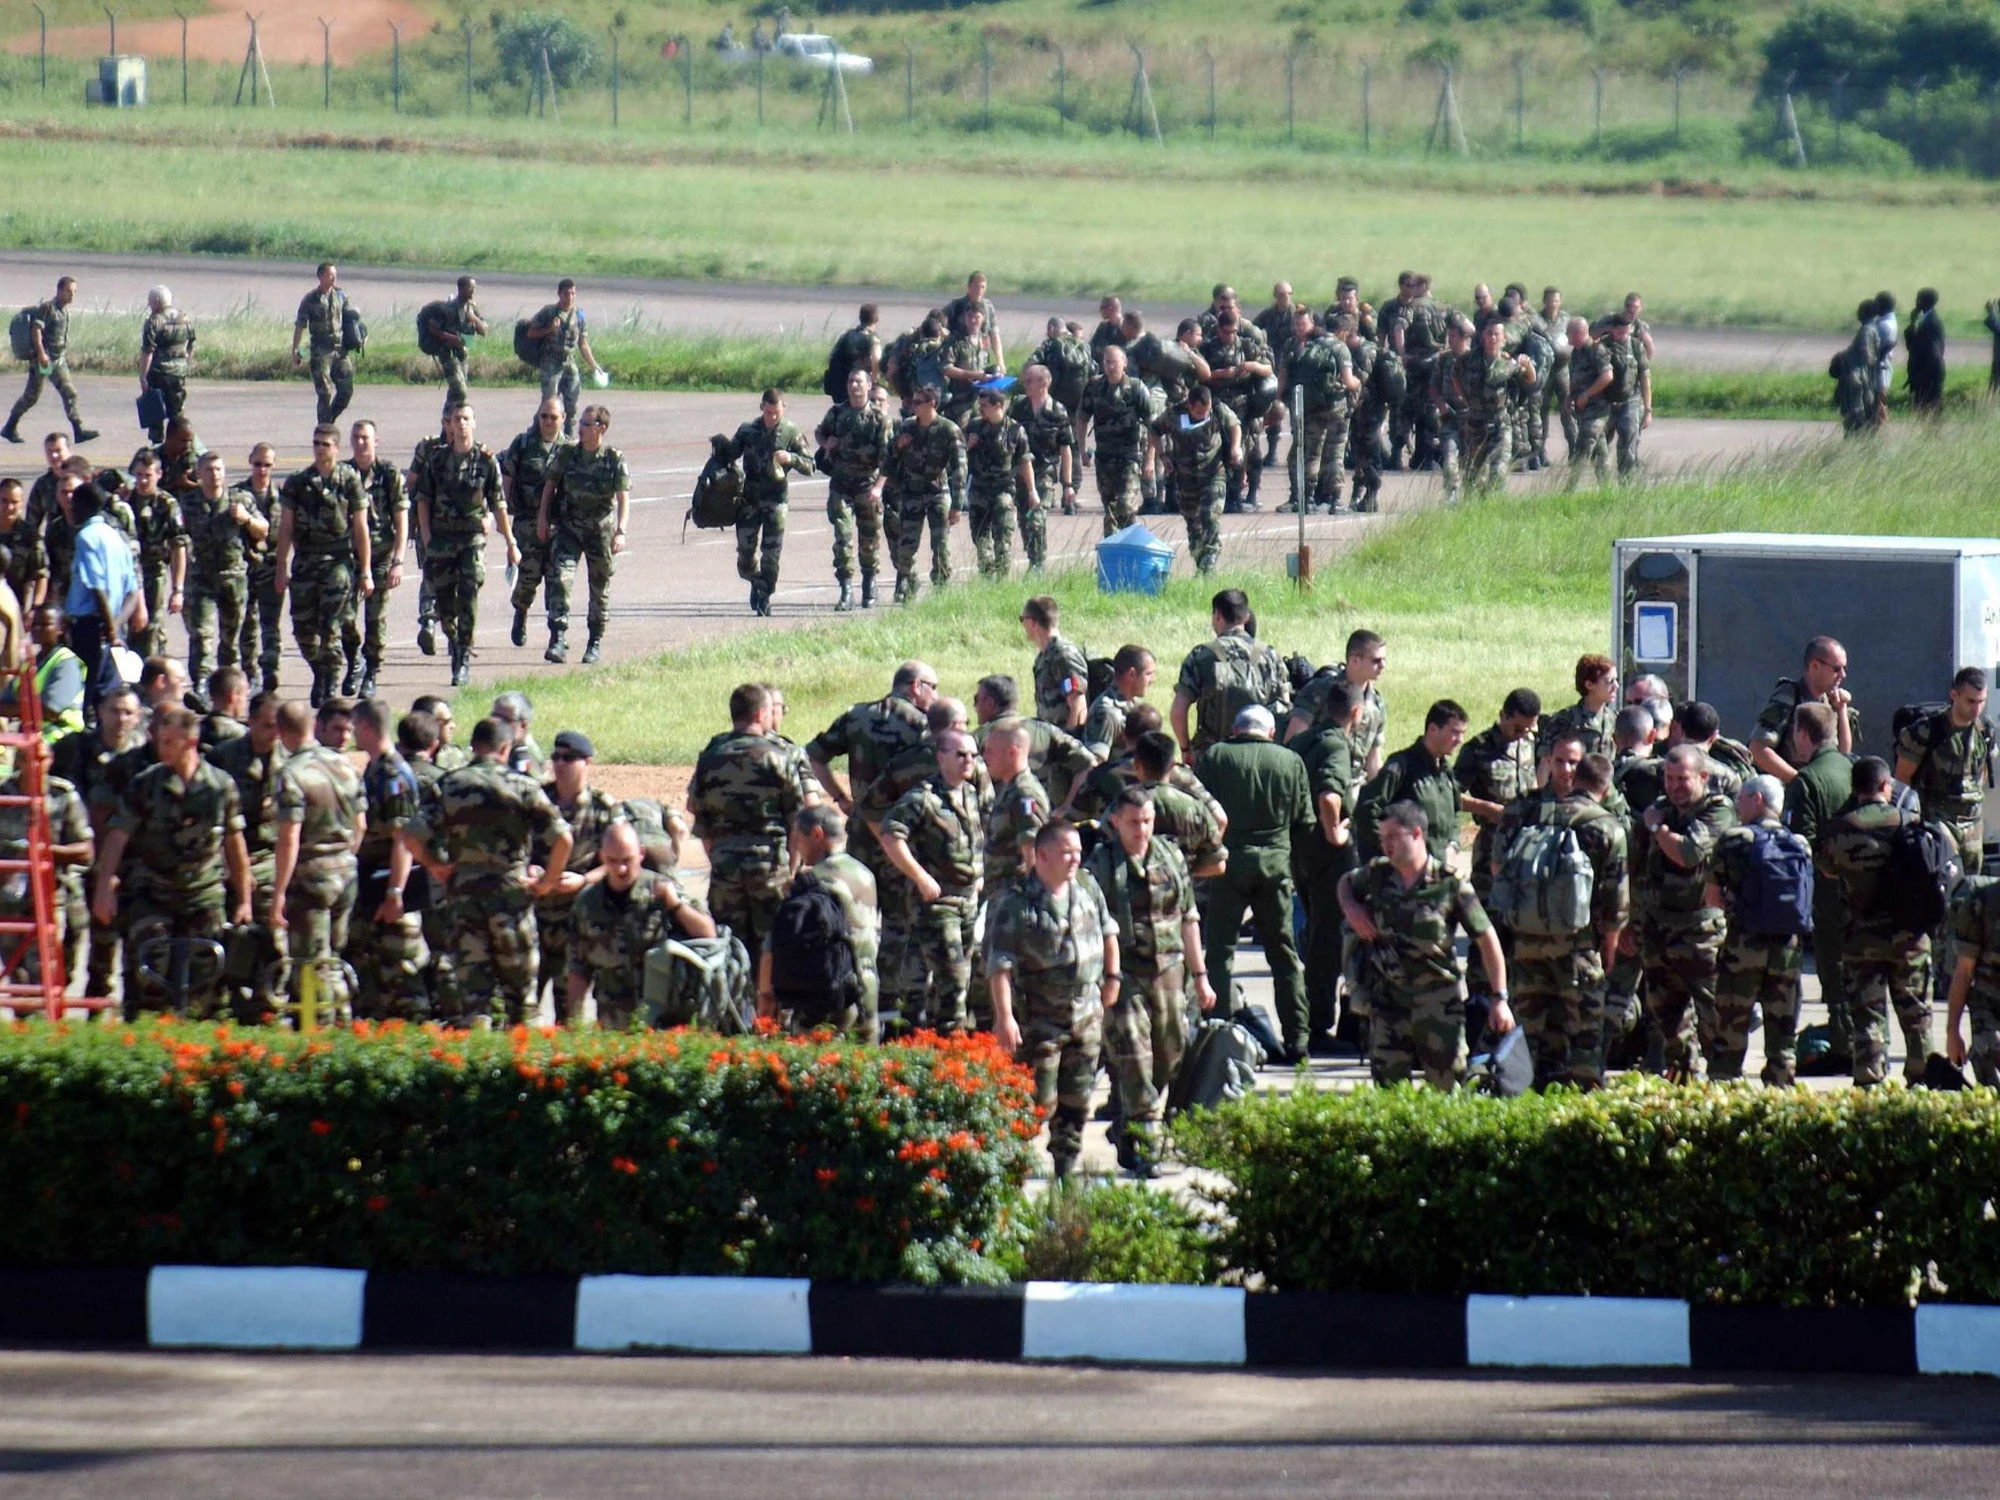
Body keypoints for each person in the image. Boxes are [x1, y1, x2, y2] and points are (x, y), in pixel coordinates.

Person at [400, 716, 571, 1026]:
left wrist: (435, 865)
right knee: (522, 1002)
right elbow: (562, 838)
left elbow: (410, 835)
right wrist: (547, 882)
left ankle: (479, 1050)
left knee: (473, 1002)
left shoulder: (449, 784)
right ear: (505, 748)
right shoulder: (522, 785)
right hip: (511, 898)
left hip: (464, 900)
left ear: (474, 746)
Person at [1340, 800, 1511, 1090]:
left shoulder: (1450, 884)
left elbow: (1487, 940)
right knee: (1389, 1095)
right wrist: (1351, 908)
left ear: (1417, 833)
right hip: (1388, 1006)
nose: (1386, 845)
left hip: (1438, 1007)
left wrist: (1499, 998)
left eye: (1393, 836)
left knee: (1447, 1093)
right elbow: (1345, 883)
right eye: (1382, 838)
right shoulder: (1377, 874)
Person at [1086, 785, 1213, 1175]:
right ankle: (1146, 1144)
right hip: (1125, 973)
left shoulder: (1170, 857)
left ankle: (1128, 1121)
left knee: (1170, 1052)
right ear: (1116, 822)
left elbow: (1188, 918)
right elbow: (1092, 926)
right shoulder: (1101, 865)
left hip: (1170, 970)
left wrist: (1201, 977)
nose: (1141, 830)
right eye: (1133, 823)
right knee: (1134, 1053)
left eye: (1147, 821)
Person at [93, 707, 251, 1018]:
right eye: (160, 740)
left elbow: (234, 843)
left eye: (169, 742)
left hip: (203, 891)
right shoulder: (145, 784)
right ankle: (148, 1029)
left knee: (207, 972)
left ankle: (198, 1035)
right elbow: (117, 838)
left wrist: (244, 899)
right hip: (154, 890)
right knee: (150, 967)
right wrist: (103, 888)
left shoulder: (220, 786)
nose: (161, 747)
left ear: (190, 742)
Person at [1492, 739, 1628, 1089]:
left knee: (1527, 1029)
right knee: (1585, 1030)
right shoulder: (1606, 826)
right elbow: (1615, 900)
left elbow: (1498, 868)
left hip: (1526, 943)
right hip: (1578, 947)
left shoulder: (1526, 812)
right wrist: (1609, 946)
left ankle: (1517, 1097)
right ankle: (1583, 1102)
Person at [986, 820, 1115, 1178]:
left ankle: (1064, 1173)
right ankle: (1010, 1170)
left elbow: (1108, 930)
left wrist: (1113, 977)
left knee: (1077, 1102)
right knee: (1036, 1102)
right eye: (1066, 853)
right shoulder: (1015, 903)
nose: (1075, 859)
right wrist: (1005, 1017)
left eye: (1077, 852)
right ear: (1042, 856)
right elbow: (999, 965)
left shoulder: (1087, 887)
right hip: (1039, 1021)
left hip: (1086, 1015)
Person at [1195, 704, 1314, 1060]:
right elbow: (1304, 821)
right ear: (1271, 733)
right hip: (1274, 867)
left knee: (1220, 952)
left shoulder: (1216, 756)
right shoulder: (1290, 761)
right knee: (1283, 954)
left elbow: (1198, 811)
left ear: (1235, 729)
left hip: (1226, 866)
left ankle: (1217, 1030)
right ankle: (1297, 1038)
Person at [1820, 756, 1934, 1087]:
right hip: (1910, 935)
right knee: (1916, 1014)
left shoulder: (1840, 829)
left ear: (1854, 789)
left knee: (1867, 1015)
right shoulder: (1911, 822)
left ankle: (1870, 1085)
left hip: (1861, 937)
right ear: (1886, 786)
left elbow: (1828, 869)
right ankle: (1923, 1084)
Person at [687, 682, 822, 962]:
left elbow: (698, 814)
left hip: (725, 866)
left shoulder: (711, 757)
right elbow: (797, 819)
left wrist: (719, 858)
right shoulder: (779, 757)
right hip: (770, 866)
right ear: (761, 714)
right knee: (774, 948)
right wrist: (791, 868)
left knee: (729, 949)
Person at [1633, 744, 1735, 1080]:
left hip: (1700, 932)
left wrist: (1657, 829)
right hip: (1658, 929)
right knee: (1666, 1014)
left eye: (1683, 779)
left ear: (1702, 777)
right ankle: (1682, 1077)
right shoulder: (1661, 809)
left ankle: (1722, 1080)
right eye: (1670, 778)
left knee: (1713, 1011)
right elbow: (1635, 865)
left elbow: (1688, 853)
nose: (1675, 786)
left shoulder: (1717, 809)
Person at [878, 728, 988, 1032]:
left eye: (973, 755)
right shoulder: (923, 798)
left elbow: (977, 837)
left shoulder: (971, 793)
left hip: (968, 900)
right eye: (961, 754)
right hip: (938, 903)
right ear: (941, 757)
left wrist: (979, 874)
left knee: (953, 976)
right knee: (953, 980)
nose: (969, 761)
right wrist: (920, 876)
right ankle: (951, 1045)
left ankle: (923, 1037)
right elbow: (890, 835)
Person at [1705, 775, 1811, 1086]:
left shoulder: (1734, 839)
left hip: (1743, 946)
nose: (1737, 806)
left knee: (1731, 1023)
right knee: (1783, 1030)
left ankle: (1725, 1085)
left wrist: (1737, 908)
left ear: (1757, 800)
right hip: (1788, 949)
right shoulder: (1800, 844)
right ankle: (1781, 1088)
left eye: (1741, 799)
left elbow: (1712, 897)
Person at [565, 818, 713, 1030]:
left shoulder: (662, 890)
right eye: (612, 861)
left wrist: (676, 906)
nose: (621, 869)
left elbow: (708, 934)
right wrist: (575, 1024)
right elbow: (578, 969)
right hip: (613, 1024)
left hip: (662, 1020)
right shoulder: (587, 904)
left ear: (641, 854)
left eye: (627, 860)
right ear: (601, 857)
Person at [271, 697, 364, 1026]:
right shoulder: (344, 765)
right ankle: (343, 1022)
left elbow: (289, 838)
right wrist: (344, 858)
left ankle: (318, 1033)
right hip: (346, 874)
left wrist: (279, 891)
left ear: (281, 731)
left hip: (311, 879)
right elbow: (360, 825)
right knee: (333, 958)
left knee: (310, 965)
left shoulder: (291, 773)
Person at [759, 804, 878, 1040]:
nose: (796, 847)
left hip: (826, 996)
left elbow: (773, 947)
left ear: (816, 834)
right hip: (867, 992)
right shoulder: (865, 874)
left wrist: (766, 999)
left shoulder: (812, 882)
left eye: (798, 838)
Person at [411, 403, 509, 687]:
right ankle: (454, 641)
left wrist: (509, 541)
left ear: (474, 423)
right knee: (444, 607)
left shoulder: (486, 460)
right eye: (457, 419)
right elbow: (423, 499)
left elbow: (498, 502)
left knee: (468, 593)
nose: (462, 423)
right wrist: (426, 536)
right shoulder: (437, 460)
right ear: (450, 425)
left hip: (471, 540)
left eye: (466, 418)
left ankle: (462, 658)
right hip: (441, 541)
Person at [1782, 700, 1858, 1068]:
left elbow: (1801, 843)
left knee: (1832, 967)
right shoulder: (1852, 768)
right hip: (1862, 889)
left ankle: (1845, 1045)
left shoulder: (1806, 781)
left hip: (1827, 893)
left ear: (1802, 734)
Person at [273, 424, 371, 707]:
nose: (319, 449)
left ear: (336, 448)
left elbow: (360, 528)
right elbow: (286, 527)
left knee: (330, 628)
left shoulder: (348, 479)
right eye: (316, 443)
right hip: (305, 562)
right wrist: (281, 567)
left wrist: (365, 570)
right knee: (303, 629)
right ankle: (319, 671)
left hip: (337, 562)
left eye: (325, 444)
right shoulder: (298, 482)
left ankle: (329, 685)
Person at [344, 697, 427, 1020]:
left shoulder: (393, 774)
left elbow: (403, 839)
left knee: (401, 975)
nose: (352, 733)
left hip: (389, 884)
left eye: (354, 727)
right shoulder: (376, 768)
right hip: (374, 882)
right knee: (373, 973)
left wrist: (395, 893)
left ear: (366, 727)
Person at [530, 729, 622, 1021]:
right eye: (555, 757)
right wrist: (531, 869)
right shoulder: (537, 800)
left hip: (575, 918)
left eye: (568, 758)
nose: (559, 763)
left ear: (587, 763)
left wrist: (584, 880)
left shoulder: (603, 807)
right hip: (534, 915)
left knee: (570, 1011)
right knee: (521, 1005)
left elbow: (617, 863)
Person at [1290, 675, 1359, 1054]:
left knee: (1316, 933)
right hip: (1326, 854)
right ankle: (1317, 1026)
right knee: (1327, 941)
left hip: (1299, 848)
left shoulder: (1303, 740)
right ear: (1356, 712)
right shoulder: (1335, 745)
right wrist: (1336, 834)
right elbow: (1330, 796)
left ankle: (1308, 1018)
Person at [535, 402, 627, 664]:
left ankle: (594, 641)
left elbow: (623, 497)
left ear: (601, 428)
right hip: (569, 529)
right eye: (581, 423)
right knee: (560, 578)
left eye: (587, 424)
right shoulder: (568, 453)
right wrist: (542, 518)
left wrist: (621, 531)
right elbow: (550, 486)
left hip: (600, 532)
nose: (581, 429)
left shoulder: (613, 458)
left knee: (599, 587)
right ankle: (558, 638)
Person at [722, 388, 812, 618]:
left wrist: (791, 458)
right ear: (762, 407)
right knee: (745, 555)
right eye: (768, 412)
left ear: (783, 409)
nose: (772, 417)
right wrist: (720, 447)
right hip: (750, 500)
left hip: (776, 501)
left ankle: (765, 594)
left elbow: (810, 465)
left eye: (776, 412)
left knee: (771, 554)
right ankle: (756, 581)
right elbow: (729, 455)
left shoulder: (791, 432)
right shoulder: (748, 430)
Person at [1171, 588, 1292, 760]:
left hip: (1213, 756)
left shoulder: (1201, 656)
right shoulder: (1270, 655)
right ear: (1247, 617)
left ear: (1217, 616)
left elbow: (1178, 710)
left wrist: (1185, 749)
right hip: (1261, 756)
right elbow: (1285, 706)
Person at [180, 452, 264, 698]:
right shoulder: (188, 503)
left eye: (218, 469)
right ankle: (201, 684)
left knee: (231, 637)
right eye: (208, 470)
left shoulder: (240, 499)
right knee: (201, 633)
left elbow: (263, 530)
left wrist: (247, 519)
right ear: (199, 474)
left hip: (233, 577)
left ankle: (225, 687)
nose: (214, 474)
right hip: (202, 578)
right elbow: (177, 537)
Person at [1893, 667, 1989, 881]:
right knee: (1940, 884)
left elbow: (1981, 774)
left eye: (1981, 701)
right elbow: (1902, 780)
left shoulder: (1984, 731)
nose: (1977, 709)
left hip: (1972, 824)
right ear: (1954, 695)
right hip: (1937, 821)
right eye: (1971, 701)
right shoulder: (1927, 731)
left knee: (1972, 887)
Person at [1351, 699, 1468, 868]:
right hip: (1401, 874)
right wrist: (1392, 848)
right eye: (1454, 732)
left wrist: (1453, 844)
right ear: (1432, 729)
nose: (1460, 740)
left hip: (1435, 870)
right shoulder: (1400, 766)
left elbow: (1456, 810)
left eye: (1462, 733)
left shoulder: (1445, 772)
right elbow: (1366, 809)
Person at [62, 481, 143, 714]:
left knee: (82, 699)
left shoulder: (86, 537)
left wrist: (109, 629)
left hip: (89, 628)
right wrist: (115, 628)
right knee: (105, 698)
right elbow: (133, 592)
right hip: (112, 629)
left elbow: (97, 589)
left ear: (85, 506)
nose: (71, 510)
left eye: (74, 505)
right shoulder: (117, 538)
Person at [817, 369, 894, 611]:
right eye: (851, 381)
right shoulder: (837, 413)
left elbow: (888, 460)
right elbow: (820, 431)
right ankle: (846, 589)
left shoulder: (880, 419)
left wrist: (879, 487)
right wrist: (825, 443)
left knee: (869, 540)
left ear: (869, 385)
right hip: (841, 485)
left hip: (867, 486)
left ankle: (869, 584)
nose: (854, 386)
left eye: (859, 381)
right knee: (842, 538)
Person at [340, 420, 406, 700]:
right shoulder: (343, 473)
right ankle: (354, 661)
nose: (360, 443)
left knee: (375, 620)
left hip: (380, 556)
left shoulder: (388, 473)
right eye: (356, 437)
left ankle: (371, 672)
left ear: (375, 441)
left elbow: (401, 519)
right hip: (348, 557)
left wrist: (398, 561)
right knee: (344, 617)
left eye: (365, 438)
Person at [883, 385, 966, 605]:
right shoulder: (907, 427)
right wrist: (897, 445)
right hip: (911, 493)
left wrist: (957, 505)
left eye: (918, 402)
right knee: (905, 548)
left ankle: (940, 590)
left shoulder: (949, 430)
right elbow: (888, 459)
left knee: (941, 545)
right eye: (912, 402)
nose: (913, 406)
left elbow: (960, 469)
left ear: (932, 404)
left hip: (937, 493)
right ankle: (911, 581)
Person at [1147, 382, 1239, 574]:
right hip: (1186, 479)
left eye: (1206, 411)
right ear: (1189, 405)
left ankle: (1211, 556)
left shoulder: (1217, 410)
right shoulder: (1174, 415)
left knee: (1209, 516)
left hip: (1213, 474)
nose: (1204, 415)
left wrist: (1235, 448)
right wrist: (1162, 456)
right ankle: (1201, 563)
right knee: (1193, 525)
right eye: (1199, 412)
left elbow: (1234, 425)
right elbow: (1154, 430)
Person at [1280, 307, 1359, 513]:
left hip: (1311, 408)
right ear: (1341, 331)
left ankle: (1307, 499)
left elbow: (1283, 379)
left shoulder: (1304, 347)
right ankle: (1336, 501)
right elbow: (1349, 381)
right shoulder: (1339, 347)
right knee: (1335, 453)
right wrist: (1357, 382)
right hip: (1336, 408)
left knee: (1311, 454)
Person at [1750, 635, 1857, 782]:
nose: (1842, 675)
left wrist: (1841, 709)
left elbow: (1842, 756)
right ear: (1815, 666)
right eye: (1836, 669)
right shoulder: (1789, 695)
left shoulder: (1830, 702)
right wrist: (1799, 782)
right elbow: (1757, 749)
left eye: (1844, 668)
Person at [3, 276, 95, 445]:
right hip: (44, 361)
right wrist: (41, 354)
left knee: (70, 393)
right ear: (59, 291)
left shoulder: (64, 311)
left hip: (58, 361)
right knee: (31, 397)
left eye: (74, 292)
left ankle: (78, 430)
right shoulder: (47, 308)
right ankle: (10, 426)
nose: (72, 295)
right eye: (68, 291)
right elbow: (36, 330)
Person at [1287, 628, 1389, 780]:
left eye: (1384, 660)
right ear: (1354, 660)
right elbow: (1293, 743)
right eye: (1376, 661)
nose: (1383, 665)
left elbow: (1373, 761)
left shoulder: (1377, 705)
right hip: (1318, 781)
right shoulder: (1319, 691)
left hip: (1353, 783)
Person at [1076, 345, 1153, 535]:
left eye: (1114, 362)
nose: (1110, 367)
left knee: (1125, 505)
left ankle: (1130, 540)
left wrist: (1150, 459)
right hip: (1105, 457)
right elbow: (1082, 418)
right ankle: (1113, 546)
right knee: (1110, 509)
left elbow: (1153, 426)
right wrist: (1082, 450)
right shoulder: (1094, 386)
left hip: (1130, 456)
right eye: (1107, 362)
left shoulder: (1136, 388)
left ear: (1124, 363)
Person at [123, 450, 186, 663]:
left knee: (151, 628)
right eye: (138, 475)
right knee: (125, 628)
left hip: (154, 573)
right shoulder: (124, 501)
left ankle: (154, 668)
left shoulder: (167, 504)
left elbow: (178, 547)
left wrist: (177, 590)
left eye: (148, 475)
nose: (142, 481)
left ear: (158, 475)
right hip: (126, 574)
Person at [523, 278, 604, 438]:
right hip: (550, 362)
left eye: (573, 293)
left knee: (572, 403)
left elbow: (583, 344)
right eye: (567, 293)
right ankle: (536, 434)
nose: (570, 297)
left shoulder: (579, 315)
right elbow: (531, 333)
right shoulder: (549, 312)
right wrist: (549, 329)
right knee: (549, 403)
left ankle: (568, 437)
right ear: (559, 294)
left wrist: (594, 366)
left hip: (569, 361)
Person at [233, 444, 285, 692]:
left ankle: (271, 670)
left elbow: (289, 534)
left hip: (272, 566)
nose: (262, 470)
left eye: (267, 465)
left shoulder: (282, 497)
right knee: (247, 624)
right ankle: (250, 673)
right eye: (258, 464)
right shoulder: (237, 496)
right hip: (245, 567)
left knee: (270, 623)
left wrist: (284, 568)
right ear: (250, 462)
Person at [1011, 362, 1076, 558]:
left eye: (1029, 381)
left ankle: (1037, 562)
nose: (1025, 385)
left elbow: (1065, 449)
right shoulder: (1018, 407)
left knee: (1036, 518)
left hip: (1044, 472)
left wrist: (1068, 485)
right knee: (1024, 519)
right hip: (1020, 472)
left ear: (1044, 383)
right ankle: (1034, 554)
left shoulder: (1057, 411)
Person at [290, 262, 355, 427]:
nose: (333, 278)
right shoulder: (310, 299)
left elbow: (351, 319)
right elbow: (300, 326)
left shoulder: (341, 295)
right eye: (330, 275)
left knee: (346, 389)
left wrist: (359, 336)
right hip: (320, 350)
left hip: (340, 349)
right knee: (324, 392)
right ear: (320, 277)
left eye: (335, 275)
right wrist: (296, 351)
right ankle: (324, 428)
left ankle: (328, 420)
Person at [1537, 653, 1619, 766]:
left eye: (1616, 680)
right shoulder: (1565, 720)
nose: (1616, 686)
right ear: (1589, 685)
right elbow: (1546, 762)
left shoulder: (1615, 719)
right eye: (1610, 681)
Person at [137, 285, 195, 444]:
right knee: (177, 415)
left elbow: (147, 351)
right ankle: (180, 444)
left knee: (155, 415)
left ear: (156, 301)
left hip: (158, 373)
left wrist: (143, 376)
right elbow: (191, 344)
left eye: (150, 302)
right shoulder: (185, 318)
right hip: (178, 373)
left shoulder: (154, 321)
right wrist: (186, 362)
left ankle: (157, 445)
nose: (149, 305)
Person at [1020, 595, 1086, 730]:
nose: (1022, 625)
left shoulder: (1063, 655)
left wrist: (1069, 739)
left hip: (1066, 737)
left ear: (1032, 622)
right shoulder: (1044, 657)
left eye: (1022, 619)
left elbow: (1078, 707)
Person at [421, 276, 487, 408]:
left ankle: (450, 415)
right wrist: (450, 338)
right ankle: (453, 414)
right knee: (459, 388)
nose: (474, 291)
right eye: (470, 287)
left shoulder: (471, 307)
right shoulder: (448, 308)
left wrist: (473, 318)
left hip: (462, 353)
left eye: (474, 288)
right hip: (448, 353)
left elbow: (483, 331)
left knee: (459, 390)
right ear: (461, 289)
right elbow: (433, 328)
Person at [1082, 645, 1155, 758]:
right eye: (1148, 674)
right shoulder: (1107, 713)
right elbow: (1095, 763)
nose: (1153, 680)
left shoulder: (1132, 703)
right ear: (1131, 674)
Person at [1905, 288, 1946, 415]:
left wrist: (1921, 374)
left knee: (1929, 410)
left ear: (1924, 301)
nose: (1916, 302)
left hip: (1929, 373)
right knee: (1924, 410)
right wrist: (1912, 322)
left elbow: (1928, 350)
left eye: (1918, 299)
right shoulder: (1926, 319)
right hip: (1926, 372)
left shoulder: (1932, 322)